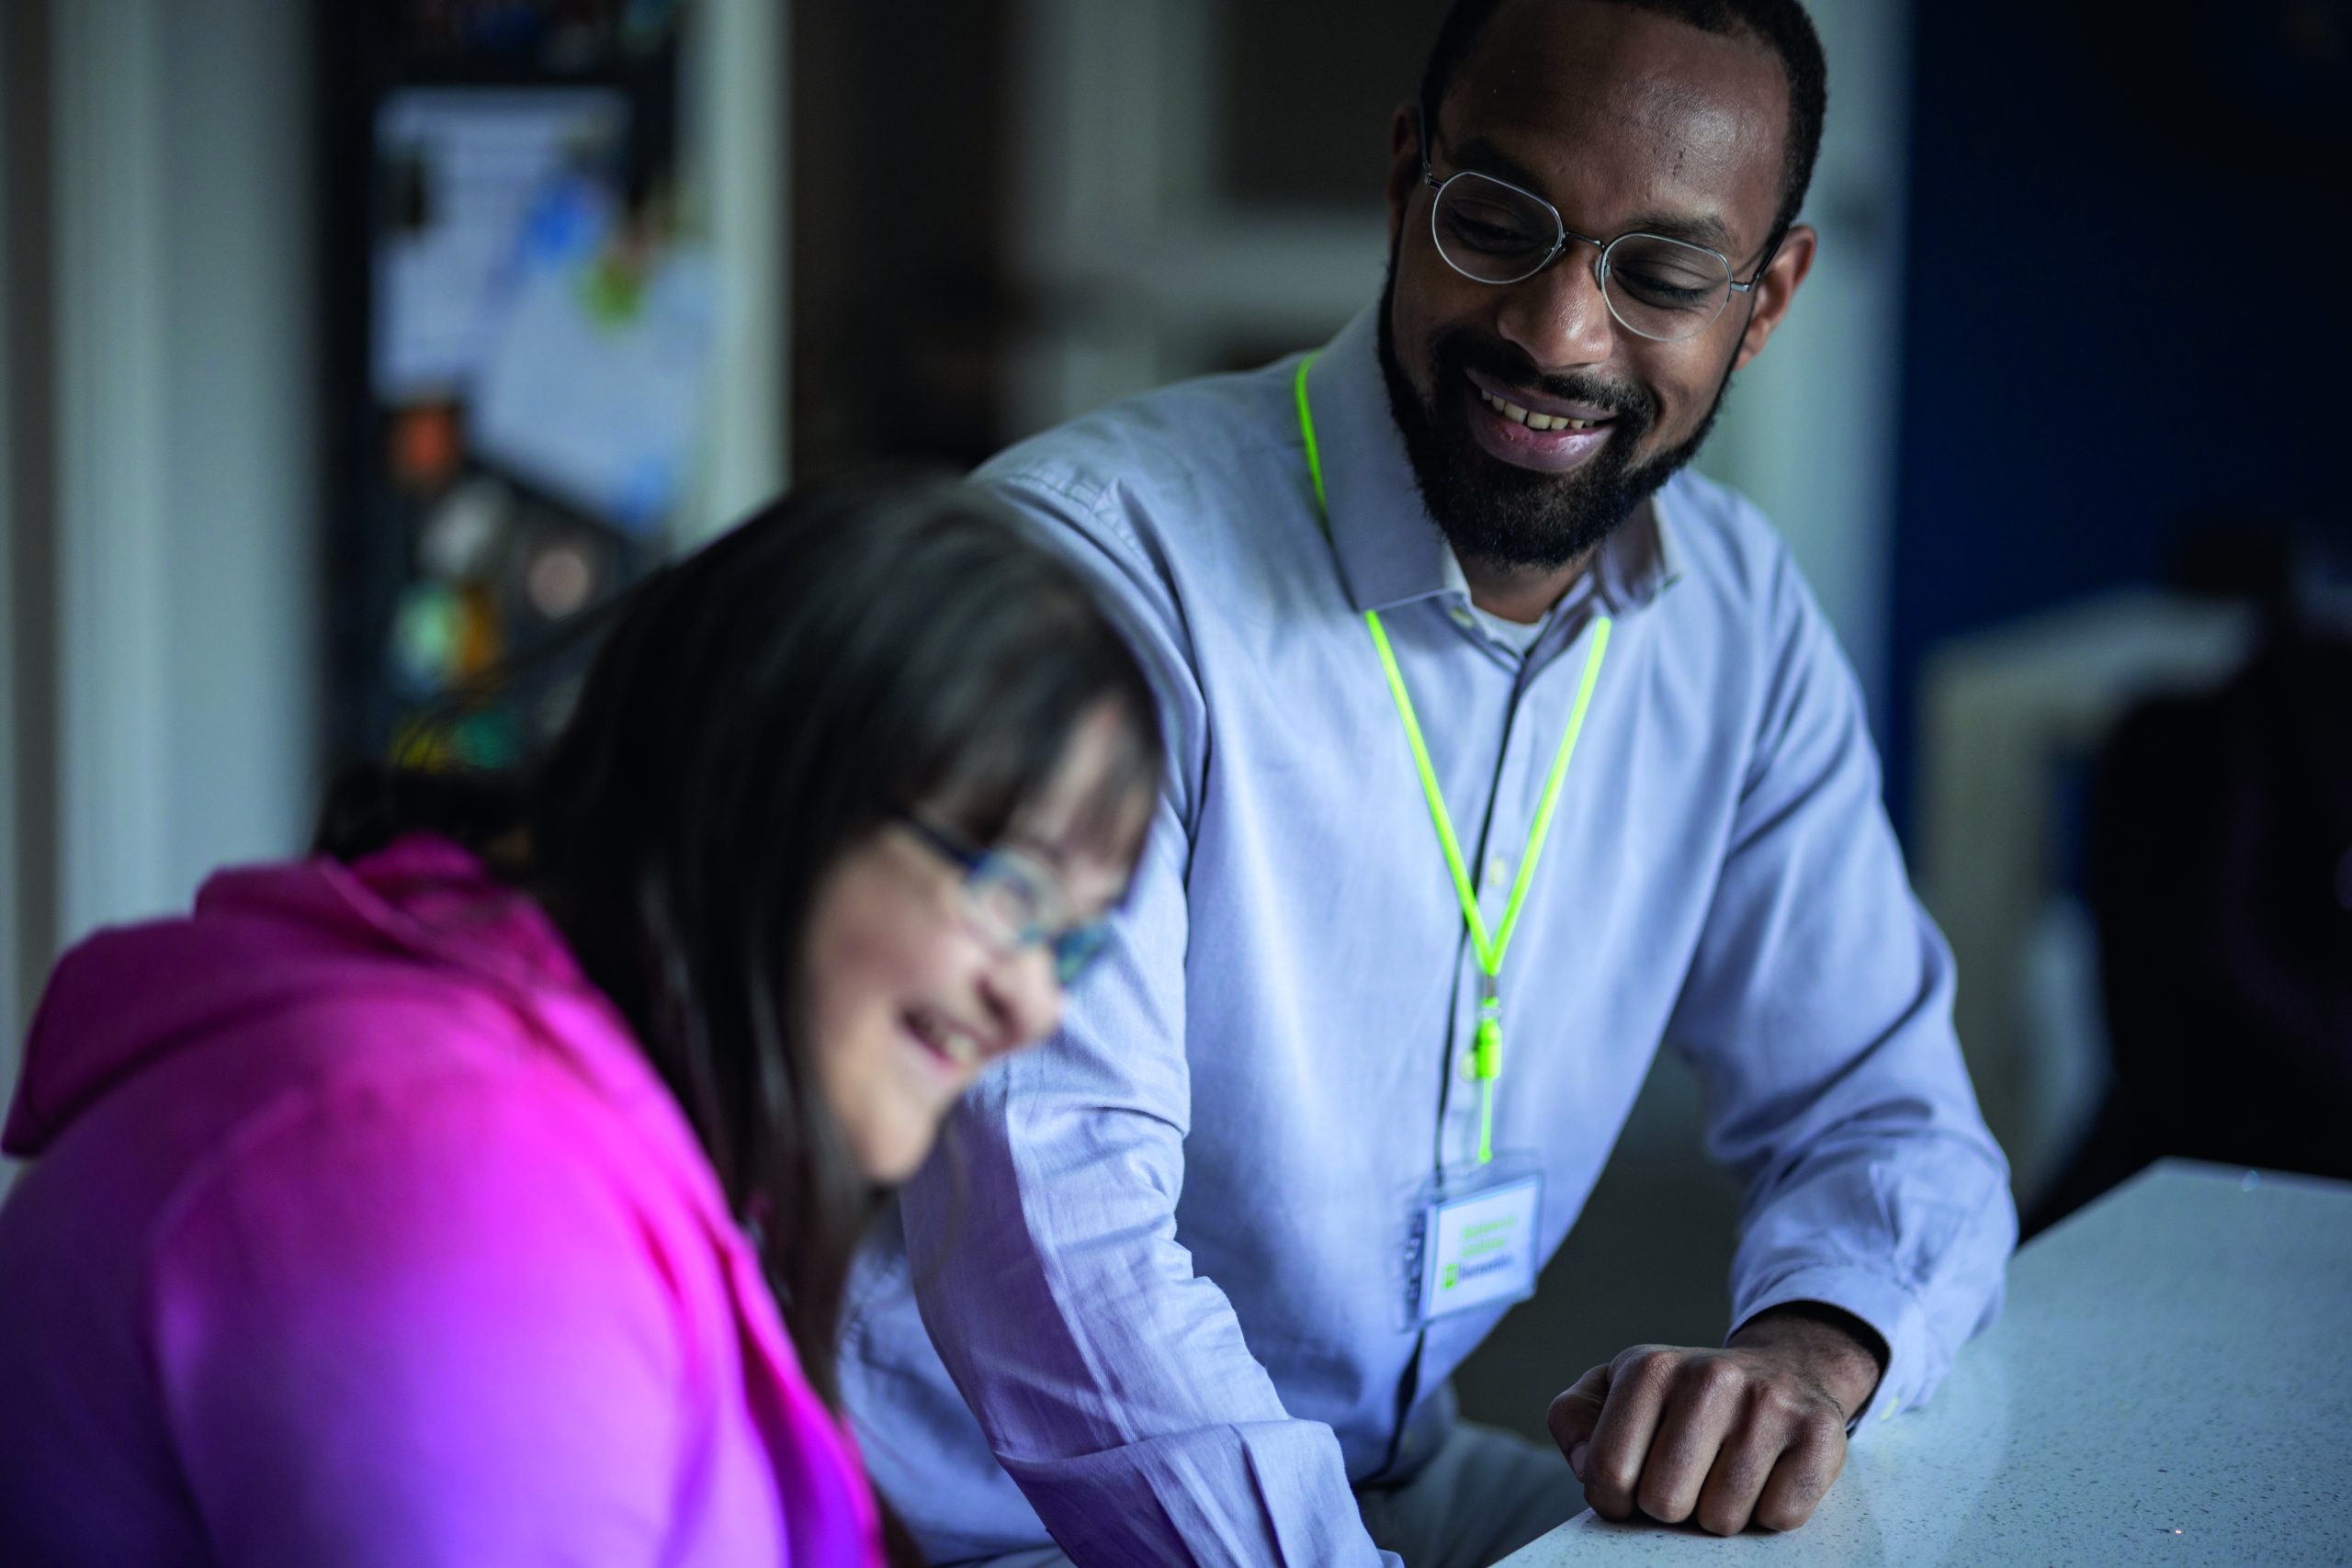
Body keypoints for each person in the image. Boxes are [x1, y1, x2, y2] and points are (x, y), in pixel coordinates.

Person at [838, 4, 2016, 1564]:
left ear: (1769, 298)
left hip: (1383, 1468)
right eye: (1499, 221)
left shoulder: (1735, 622)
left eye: (1661, 273)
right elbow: (1057, 1246)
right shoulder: (1085, 576)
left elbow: (1889, 1113)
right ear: (1407, 180)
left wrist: (1802, 1356)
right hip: (994, 1515)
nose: (1558, 332)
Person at [0, 483, 1165, 1566]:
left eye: (1072, 936)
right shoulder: (454, 1164)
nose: (1036, 1002)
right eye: (1007, 893)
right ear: (766, 788)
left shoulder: (555, 1111)